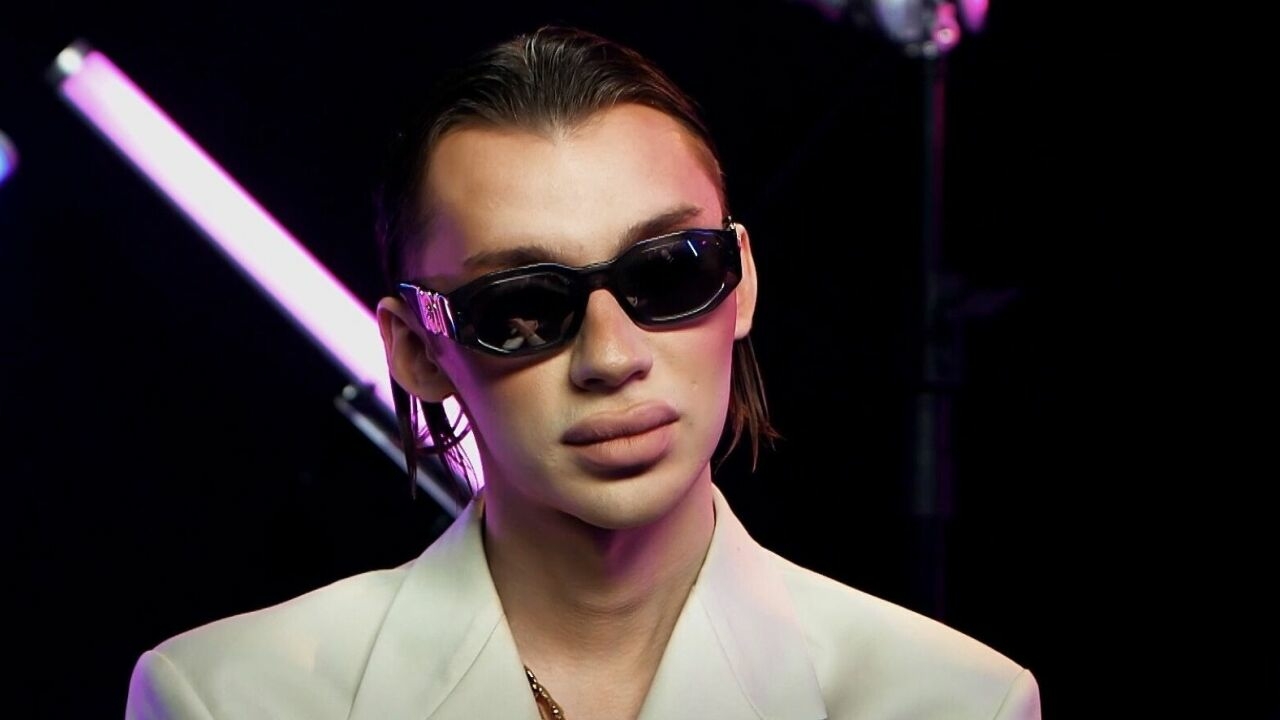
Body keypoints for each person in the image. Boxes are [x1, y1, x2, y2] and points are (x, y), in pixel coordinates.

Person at [124, 25, 1042, 720]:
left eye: (671, 272)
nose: (612, 356)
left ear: (743, 280)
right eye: (521, 306)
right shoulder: (227, 697)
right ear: (416, 350)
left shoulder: (953, 702)